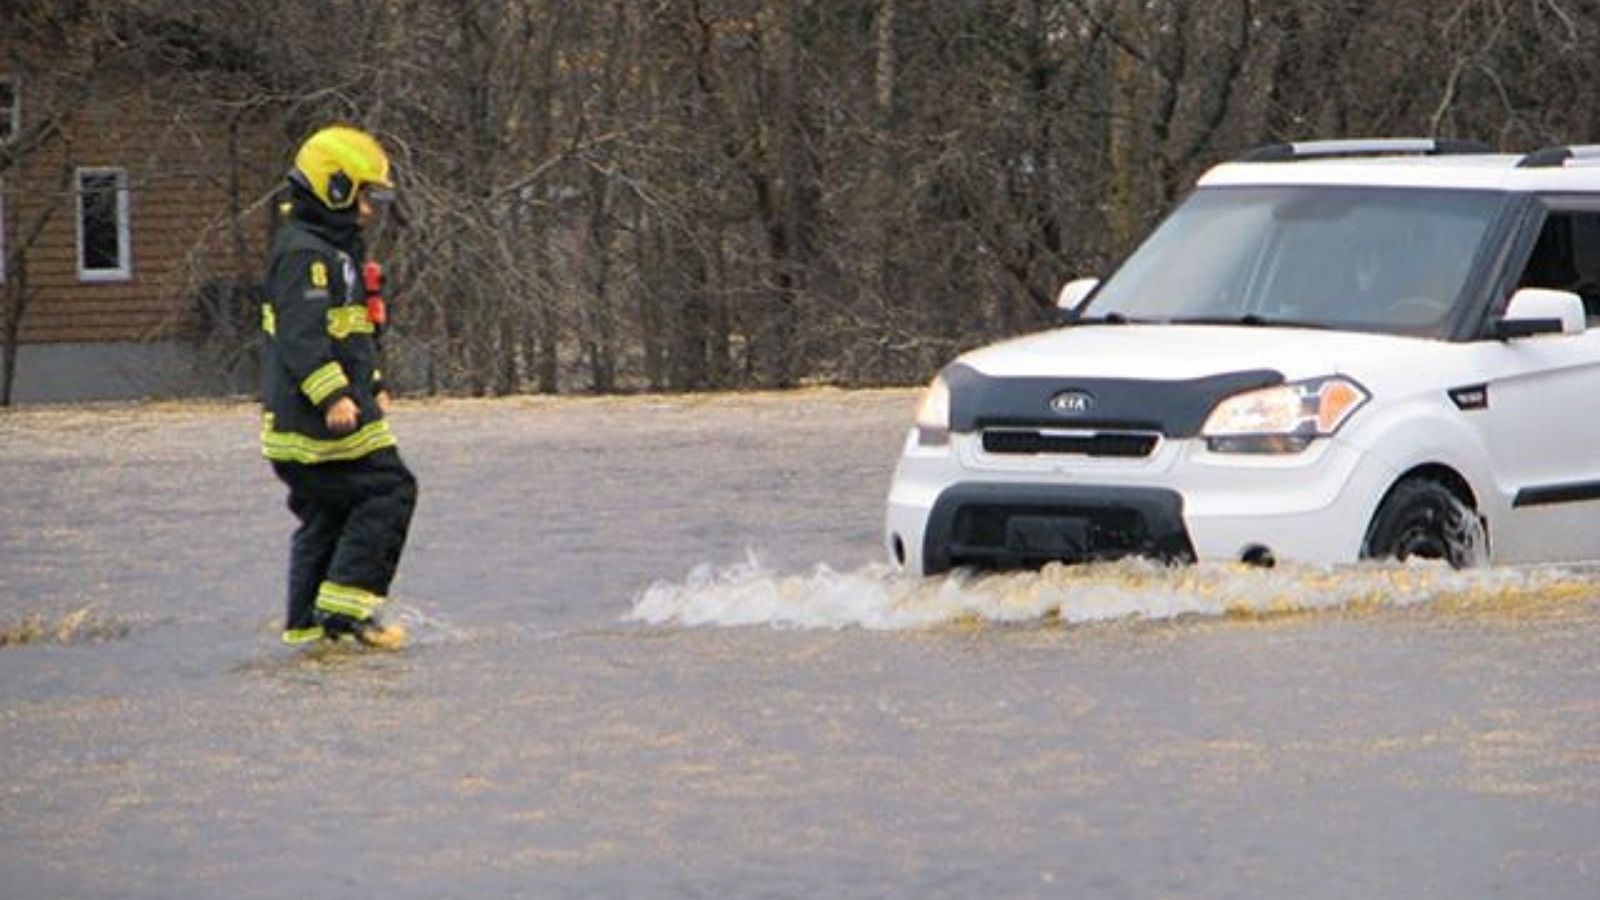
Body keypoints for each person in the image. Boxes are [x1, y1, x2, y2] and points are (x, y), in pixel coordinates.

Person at [260, 125, 416, 649]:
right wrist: (334, 396)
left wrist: (373, 383)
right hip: (316, 421)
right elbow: (303, 340)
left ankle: (309, 633)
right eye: (365, 197)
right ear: (335, 190)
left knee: (328, 514)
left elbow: (348, 334)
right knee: (390, 490)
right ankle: (346, 615)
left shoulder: (334, 252)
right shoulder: (305, 254)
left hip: (313, 419)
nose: (370, 211)